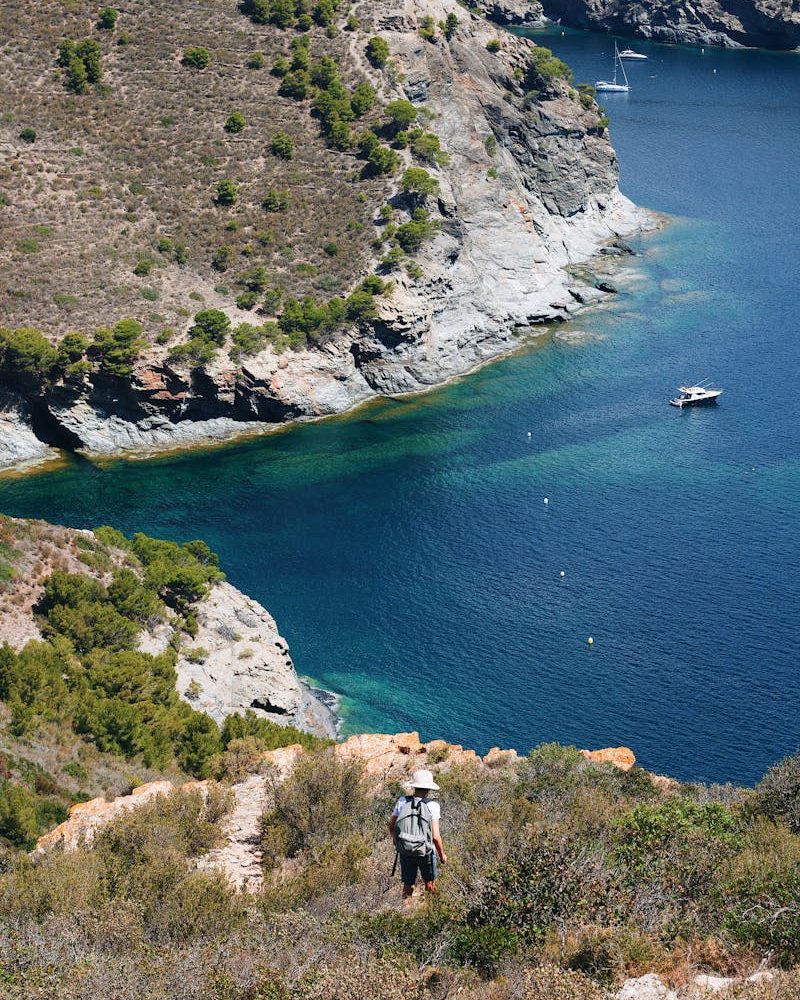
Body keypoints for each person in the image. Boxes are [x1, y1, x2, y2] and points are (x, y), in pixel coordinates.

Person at [388, 768, 447, 903]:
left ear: (413, 786)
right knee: (430, 883)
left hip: (405, 849)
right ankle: (431, 911)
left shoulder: (402, 801)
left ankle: (405, 912)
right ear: (428, 789)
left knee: (408, 884)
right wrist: (442, 855)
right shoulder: (433, 806)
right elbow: (436, 837)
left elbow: (391, 826)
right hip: (425, 851)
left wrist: (397, 843)